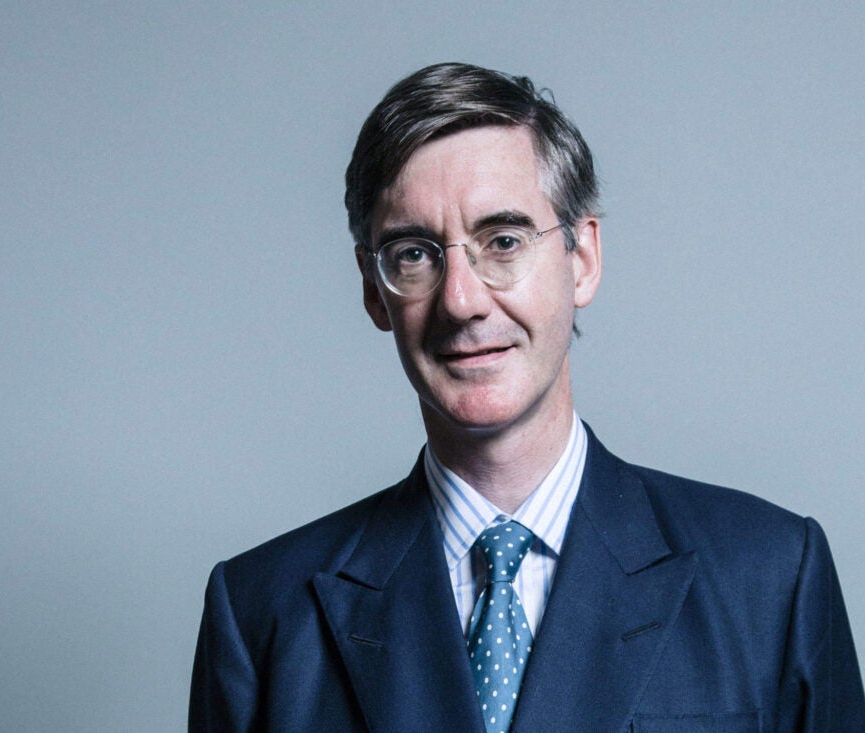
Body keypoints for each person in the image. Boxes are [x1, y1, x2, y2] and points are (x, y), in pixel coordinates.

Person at [189, 62, 865, 732]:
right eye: (414, 254)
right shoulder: (260, 613)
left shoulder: (771, 576)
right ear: (373, 289)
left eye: (504, 241)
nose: (462, 300)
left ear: (582, 258)